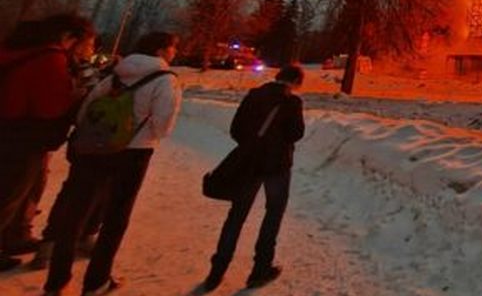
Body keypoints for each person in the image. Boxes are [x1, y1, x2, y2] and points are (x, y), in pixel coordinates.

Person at [43, 31, 182, 296]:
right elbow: (163, 127)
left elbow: (88, 106)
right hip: (133, 154)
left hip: (95, 150)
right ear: (163, 50)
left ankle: (57, 282)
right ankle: (96, 281)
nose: (175, 53)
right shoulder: (165, 81)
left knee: (75, 214)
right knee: (116, 218)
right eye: (173, 48)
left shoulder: (117, 71)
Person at [0, 14, 95, 272]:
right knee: (9, 194)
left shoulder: (20, 49)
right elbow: (50, 107)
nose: (89, 50)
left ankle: (10, 238)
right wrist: (77, 96)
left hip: (10, 130)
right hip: (22, 136)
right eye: (87, 43)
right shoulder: (50, 59)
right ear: (69, 38)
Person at [203, 65, 306, 292]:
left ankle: (217, 270)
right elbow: (296, 134)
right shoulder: (292, 103)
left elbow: (236, 129)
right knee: (273, 214)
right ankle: (260, 268)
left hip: (249, 165)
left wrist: (251, 145)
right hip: (277, 166)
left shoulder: (254, 95)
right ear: (297, 81)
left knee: (236, 216)